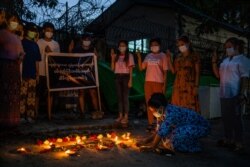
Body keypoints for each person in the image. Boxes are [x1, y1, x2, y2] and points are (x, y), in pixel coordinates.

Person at [212, 37, 250, 153]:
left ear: (236, 46)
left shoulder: (243, 60)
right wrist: (214, 61)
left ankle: (239, 143)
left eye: (229, 47)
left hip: (235, 93)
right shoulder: (225, 60)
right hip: (224, 93)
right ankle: (228, 139)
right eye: (226, 48)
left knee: (236, 119)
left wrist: (242, 93)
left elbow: (245, 77)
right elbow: (218, 75)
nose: (227, 49)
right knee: (226, 118)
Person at [138, 93, 210, 153]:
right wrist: (147, 140)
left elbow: (162, 132)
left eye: (153, 110)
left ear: (160, 107)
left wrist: (152, 146)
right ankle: (191, 141)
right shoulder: (162, 112)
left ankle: (195, 147)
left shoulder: (171, 113)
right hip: (187, 126)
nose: (153, 112)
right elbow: (159, 130)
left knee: (174, 141)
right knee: (167, 139)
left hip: (201, 127)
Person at [137, 38, 168, 131]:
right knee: (149, 103)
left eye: (156, 44)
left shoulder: (163, 56)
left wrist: (164, 85)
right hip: (148, 82)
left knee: (159, 103)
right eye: (152, 45)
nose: (154, 46)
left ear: (159, 45)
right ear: (150, 47)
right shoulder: (148, 56)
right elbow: (141, 68)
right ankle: (151, 123)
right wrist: (139, 57)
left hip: (159, 82)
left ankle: (160, 123)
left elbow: (165, 72)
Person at [0, 10, 24, 127]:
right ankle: (3, 121)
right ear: (6, 21)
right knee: (4, 94)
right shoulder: (2, 33)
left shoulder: (16, 37)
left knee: (13, 95)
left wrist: (21, 55)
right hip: (5, 66)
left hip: (15, 67)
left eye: (16, 21)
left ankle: (13, 120)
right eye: (12, 20)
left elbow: (21, 52)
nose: (14, 23)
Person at [73, 33, 103, 119]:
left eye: (88, 40)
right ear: (82, 40)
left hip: (90, 75)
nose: (87, 41)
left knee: (93, 92)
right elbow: (72, 60)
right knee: (81, 93)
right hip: (80, 74)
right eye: (85, 40)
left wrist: (96, 57)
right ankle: (82, 113)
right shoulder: (76, 50)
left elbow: (96, 61)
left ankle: (97, 111)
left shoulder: (92, 49)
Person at [167, 35, 200, 112]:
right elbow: (173, 71)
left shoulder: (194, 56)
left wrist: (196, 86)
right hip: (178, 85)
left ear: (188, 43)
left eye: (182, 44)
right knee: (178, 105)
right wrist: (169, 59)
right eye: (179, 45)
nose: (180, 47)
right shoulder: (178, 57)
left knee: (189, 106)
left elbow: (197, 72)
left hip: (189, 85)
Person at [20, 22, 41, 122]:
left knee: (31, 96)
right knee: (22, 95)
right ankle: (20, 116)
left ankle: (29, 115)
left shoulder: (35, 45)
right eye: (31, 30)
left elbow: (37, 60)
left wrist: (37, 74)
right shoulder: (21, 42)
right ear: (26, 31)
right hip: (23, 73)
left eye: (34, 31)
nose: (32, 32)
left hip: (32, 73)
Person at [37, 22, 60, 113]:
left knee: (50, 93)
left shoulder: (56, 44)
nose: (49, 33)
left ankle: (49, 113)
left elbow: (57, 59)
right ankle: (35, 113)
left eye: (51, 31)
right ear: (43, 31)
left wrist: (50, 52)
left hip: (51, 72)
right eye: (48, 31)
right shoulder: (39, 42)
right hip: (40, 71)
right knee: (38, 93)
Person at [111, 40, 135, 125]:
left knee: (125, 97)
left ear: (127, 47)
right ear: (118, 47)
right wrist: (112, 58)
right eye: (120, 45)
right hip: (117, 77)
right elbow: (112, 69)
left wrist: (130, 80)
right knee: (119, 97)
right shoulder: (116, 56)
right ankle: (120, 115)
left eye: (123, 45)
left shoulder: (130, 56)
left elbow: (131, 69)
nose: (122, 47)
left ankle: (126, 116)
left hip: (126, 77)